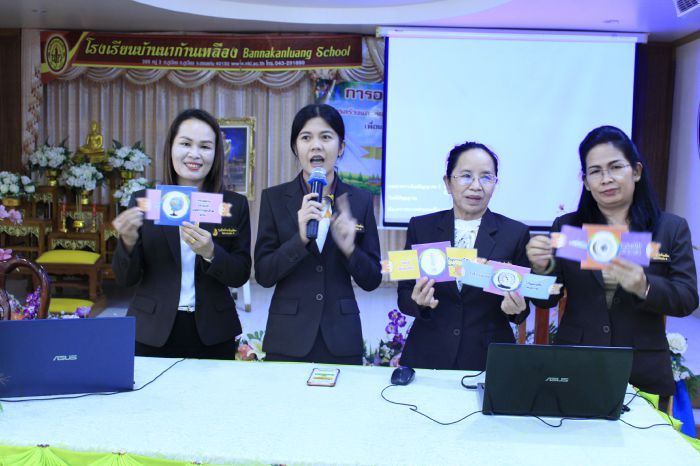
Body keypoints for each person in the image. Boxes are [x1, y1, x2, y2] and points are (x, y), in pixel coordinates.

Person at [526, 125, 698, 397]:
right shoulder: (568, 227)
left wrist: (644, 286)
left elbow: (687, 299)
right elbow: (545, 299)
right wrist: (541, 268)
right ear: (586, 182)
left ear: (636, 171)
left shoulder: (670, 228)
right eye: (595, 171)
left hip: (642, 370)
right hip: (576, 364)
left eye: (615, 167)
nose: (606, 179)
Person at [112, 108, 251, 359]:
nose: (194, 154)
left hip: (214, 330)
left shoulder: (232, 205)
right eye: (185, 143)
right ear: (171, 148)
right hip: (151, 328)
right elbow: (125, 278)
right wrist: (128, 242)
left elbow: (240, 273)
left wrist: (211, 253)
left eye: (205, 147)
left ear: (216, 154)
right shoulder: (145, 202)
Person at [254, 103, 381, 364]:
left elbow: (372, 279)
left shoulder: (360, 200)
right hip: (287, 337)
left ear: (341, 147)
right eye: (306, 137)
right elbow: (264, 274)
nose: (316, 146)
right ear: (295, 147)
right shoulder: (274, 199)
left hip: (341, 338)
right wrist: (300, 239)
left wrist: (350, 250)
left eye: (326, 137)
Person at [397, 142, 530, 371]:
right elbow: (404, 295)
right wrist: (418, 303)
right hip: (428, 354)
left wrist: (516, 309)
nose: (476, 186)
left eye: (486, 177)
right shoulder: (421, 227)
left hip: (487, 358)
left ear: (495, 183)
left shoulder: (515, 233)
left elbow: (522, 307)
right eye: (466, 176)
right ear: (448, 183)